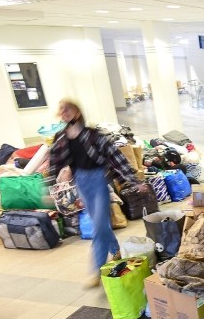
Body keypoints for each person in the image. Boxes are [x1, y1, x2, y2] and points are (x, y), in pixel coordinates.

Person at [47, 98, 139, 287]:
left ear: (77, 112)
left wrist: (134, 180)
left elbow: (115, 155)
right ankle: (115, 250)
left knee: (98, 226)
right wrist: (51, 185)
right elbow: (54, 161)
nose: (64, 113)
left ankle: (97, 270)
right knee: (102, 224)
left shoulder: (93, 135)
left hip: (98, 180)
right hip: (81, 182)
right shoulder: (61, 138)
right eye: (61, 110)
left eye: (67, 109)